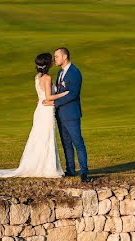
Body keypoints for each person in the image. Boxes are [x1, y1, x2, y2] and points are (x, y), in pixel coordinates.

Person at [0, 53, 68, 179]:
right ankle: (48, 168)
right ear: (48, 64)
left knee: (39, 137)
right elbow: (48, 97)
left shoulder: (37, 77)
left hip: (40, 109)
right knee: (46, 137)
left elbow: (41, 97)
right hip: (46, 111)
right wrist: (64, 94)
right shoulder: (47, 78)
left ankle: (43, 165)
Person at [43, 47, 89, 182]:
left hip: (71, 114)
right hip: (60, 115)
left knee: (78, 143)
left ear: (64, 57)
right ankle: (70, 170)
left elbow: (73, 94)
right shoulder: (59, 73)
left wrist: (54, 103)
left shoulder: (74, 72)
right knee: (66, 143)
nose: (54, 59)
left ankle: (84, 172)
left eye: (56, 56)